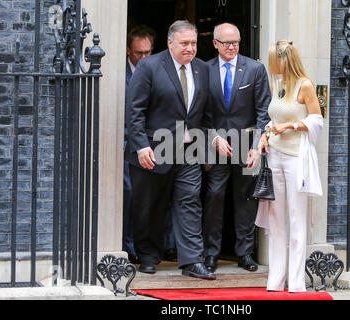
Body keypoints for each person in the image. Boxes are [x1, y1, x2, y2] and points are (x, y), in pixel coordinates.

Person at [126, 20, 215, 280]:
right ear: (170, 42)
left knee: (190, 202)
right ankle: (148, 256)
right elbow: (135, 111)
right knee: (149, 206)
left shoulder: (202, 69)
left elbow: (206, 113)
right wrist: (141, 145)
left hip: (188, 150)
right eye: (184, 43)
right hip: (154, 149)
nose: (190, 48)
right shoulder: (149, 66)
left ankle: (191, 260)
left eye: (194, 43)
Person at [202, 23, 271, 273]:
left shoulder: (255, 69)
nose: (232, 47)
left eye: (236, 43)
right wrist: (212, 137)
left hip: (247, 144)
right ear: (215, 43)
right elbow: (197, 113)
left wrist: (257, 146)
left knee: (246, 200)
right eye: (226, 43)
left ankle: (245, 253)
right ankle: (210, 255)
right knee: (213, 198)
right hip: (215, 145)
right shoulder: (203, 70)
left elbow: (265, 111)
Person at [256, 40, 323, 292]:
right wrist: (265, 135)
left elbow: (317, 120)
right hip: (274, 153)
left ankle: (295, 282)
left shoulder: (304, 85)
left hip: (296, 156)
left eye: (275, 60)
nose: (272, 65)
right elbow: (273, 118)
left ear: (285, 59)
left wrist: (292, 125)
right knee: (275, 217)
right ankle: (275, 279)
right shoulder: (278, 83)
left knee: (296, 217)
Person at [123, 25, 156, 264]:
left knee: (148, 198)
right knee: (128, 195)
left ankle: (154, 246)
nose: (144, 58)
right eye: (138, 53)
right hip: (124, 143)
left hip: (151, 144)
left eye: (148, 53)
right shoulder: (120, 73)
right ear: (128, 51)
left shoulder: (156, 72)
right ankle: (127, 245)